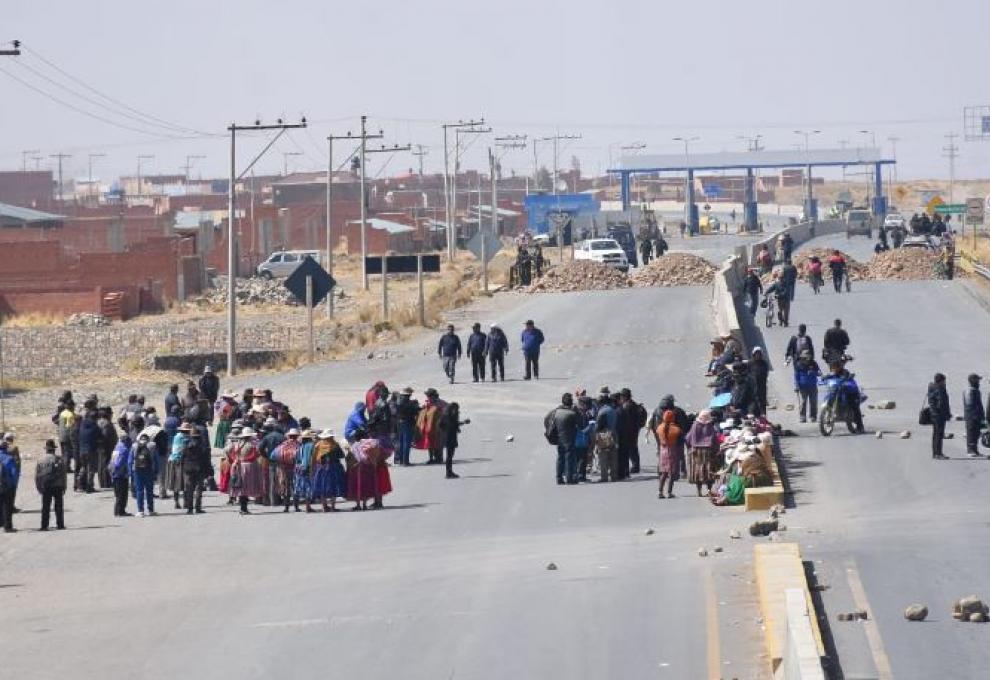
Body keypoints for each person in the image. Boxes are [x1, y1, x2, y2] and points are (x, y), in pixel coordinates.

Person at [231, 428, 265, 514]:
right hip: (249, 466)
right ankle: (244, 508)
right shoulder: (252, 445)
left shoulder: (237, 445)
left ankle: (243, 507)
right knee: (246, 487)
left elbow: (233, 455)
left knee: (241, 487)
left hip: (239, 466)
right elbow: (255, 455)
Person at [311, 430, 347, 512]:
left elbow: (314, 457)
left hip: (321, 468)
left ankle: (324, 507)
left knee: (322, 487)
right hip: (334, 468)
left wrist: (313, 469)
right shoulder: (335, 445)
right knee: (333, 486)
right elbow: (341, 455)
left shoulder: (318, 445)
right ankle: (333, 507)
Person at [684, 409, 717, 497]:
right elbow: (714, 439)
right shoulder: (710, 426)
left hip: (696, 451)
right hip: (708, 451)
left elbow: (688, 438)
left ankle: (699, 491)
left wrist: (689, 447)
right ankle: (709, 490)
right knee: (708, 469)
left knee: (697, 470)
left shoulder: (695, 425)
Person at [35, 440, 67, 530]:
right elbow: (63, 474)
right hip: (57, 485)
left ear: (46, 449)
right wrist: (64, 486)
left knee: (45, 506)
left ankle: (44, 525)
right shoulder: (59, 459)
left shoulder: (41, 460)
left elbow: (37, 475)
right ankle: (60, 524)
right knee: (59, 506)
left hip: (46, 485)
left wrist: (38, 486)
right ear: (54, 449)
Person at [549, 393, 579, 485]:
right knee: (569, 458)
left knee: (560, 458)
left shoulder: (556, 412)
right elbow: (580, 423)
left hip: (559, 439)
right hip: (569, 439)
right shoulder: (572, 413)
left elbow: (548, 421)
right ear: (571, 402)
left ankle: (559, 478)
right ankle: (569, 479)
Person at [270, 428, 301, 512]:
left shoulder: (282, 445)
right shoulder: (299, 445)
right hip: (295, 469)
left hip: (284, 469)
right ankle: (296, 507)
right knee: (295, 487)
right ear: (297, 436)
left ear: (289, 436)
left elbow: (272, 456)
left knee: (286, 488)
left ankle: (286, 507)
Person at [655, 410, 683, 499]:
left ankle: (660, 491)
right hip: (672, 451)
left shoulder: (660, 428)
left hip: (663, 451)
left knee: (663, 473)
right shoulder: (676, 429)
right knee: (671, 473)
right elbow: (680, 439)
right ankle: (669, 492)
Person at [130, 433, 158, 517]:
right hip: (149, 470)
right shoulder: (152, 446)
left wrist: (131, 472)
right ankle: (151, 510)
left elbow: (130, 460)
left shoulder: (134, 446)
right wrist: (156, 471)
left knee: (139, 491)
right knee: (149, 491)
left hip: (137, 471)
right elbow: (155, 460)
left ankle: (140, 511)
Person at [440, 402, 469, 479]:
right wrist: (462, 423)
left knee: (449, 455)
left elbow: (440, 425)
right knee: (450, 456)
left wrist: (444, 431)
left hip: (446, 437)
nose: (456, 411)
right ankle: (448, 473)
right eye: (456, 409)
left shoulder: (444, 415)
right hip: (450, 438)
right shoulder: (450, 416)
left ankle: (449, 472)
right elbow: (453, 424)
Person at [594, 390, 619, 483]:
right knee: (613, 456)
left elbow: (598, 426)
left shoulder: (602, 412)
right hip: (614, 434)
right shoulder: (613, 410)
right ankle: (614, 476)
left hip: (604, 435)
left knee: (603, 456)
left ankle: (604, 477)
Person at [927, 373, 951, 460]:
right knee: (939, 435)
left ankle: (935, 453)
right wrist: (946, 413)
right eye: (944, 380)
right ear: (941, 381)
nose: (945, 382)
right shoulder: (940, 389)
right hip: (939, 415)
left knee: (936, 434)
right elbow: (942, 403)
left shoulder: (932, 387)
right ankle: (938, 453)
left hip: (934, 414)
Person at [394, 387, 419, 466]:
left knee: (401, 442)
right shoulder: (410, 403)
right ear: (409, 395)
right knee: (406, 443)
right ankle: (406, 461)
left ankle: (401, 460)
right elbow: (415, 412)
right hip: (407, 423)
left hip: (399, 423)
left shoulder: (398, 402)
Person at [794, 350, 822, 423]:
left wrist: (814, 372)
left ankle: (813, 416)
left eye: (808, 356)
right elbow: (796, 376)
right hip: (802, 386)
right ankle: (802, 416)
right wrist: (796, 385)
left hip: (812, 385)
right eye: (806, 356)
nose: (807, 358)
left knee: (813, 402)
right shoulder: (799, 364)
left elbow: (819, 373)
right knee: (803, 402)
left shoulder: (814, 363)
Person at [108, 434, 132, 517]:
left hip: (114, 473)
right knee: (122, 494)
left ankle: (117, 511)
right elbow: (121, 463)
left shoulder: (116, 448)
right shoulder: (125, 450)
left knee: (118, 494)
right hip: (121, 474)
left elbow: (113, 462)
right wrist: (127, 472)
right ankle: (120, 511)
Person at [76, 411, 100, 493]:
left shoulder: (82, 425)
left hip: (82, 450)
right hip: (91, 451)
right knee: (91, 469)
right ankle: (89, 487)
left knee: (84, 467)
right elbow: (101, 437)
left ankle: (78, 483)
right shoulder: (95, 426)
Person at [963, 374, 985, 459]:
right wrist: (975, 415)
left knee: (976, 433)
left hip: (977, 415)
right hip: (971, 416)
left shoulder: (975, 390)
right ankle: (970, 451)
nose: (979, 382)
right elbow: (970, 404)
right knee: (971, 433)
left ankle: (975, 450)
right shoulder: (969, 391)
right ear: (973, 381)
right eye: (977, 380)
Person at [0, 439, 20, 532]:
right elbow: (14, 473)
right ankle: (8, 527)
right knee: (7, 506)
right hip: (7, 486)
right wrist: (13, 485)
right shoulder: (9, 458)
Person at [750, 347, 769, 415]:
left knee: (762, 403)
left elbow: (765, 374)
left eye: (759, 354)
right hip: (753, 388)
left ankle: (764, 417)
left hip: (762, 387)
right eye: (756, 354)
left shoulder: (764, 364)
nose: (757, 355)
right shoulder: (750, 364)